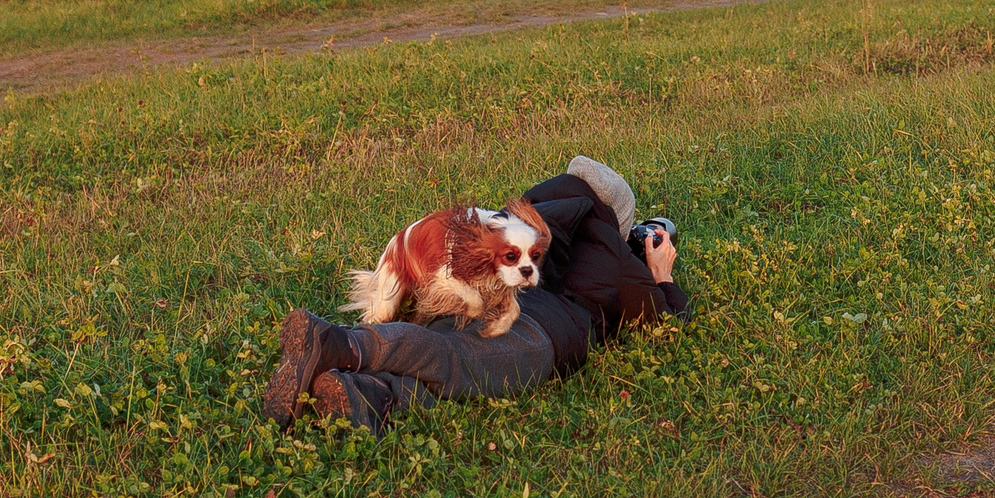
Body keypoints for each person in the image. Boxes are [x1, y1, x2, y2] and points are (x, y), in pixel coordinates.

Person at [264, 155, 690, 433]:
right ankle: (339, 345)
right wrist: (662, 276)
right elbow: (661, 322)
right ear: (614, 214)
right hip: (540, 333)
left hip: (469, 301)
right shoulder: (608, 247)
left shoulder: (524, 214)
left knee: (450, 364)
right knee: (456, 359)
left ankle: (363, 398)